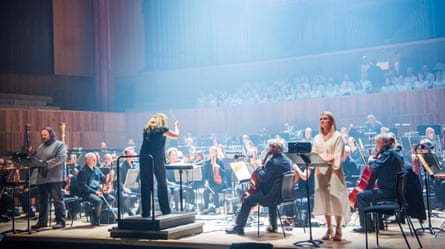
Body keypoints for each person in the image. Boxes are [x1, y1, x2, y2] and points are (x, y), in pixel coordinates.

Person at [225, 138, 292, 235]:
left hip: (269, 197)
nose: (268, 150)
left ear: (273, 148)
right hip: (280, 196)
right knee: (269, 197)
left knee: (247, 200)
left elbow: (264, 178)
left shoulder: (272, 162)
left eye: (269, 148)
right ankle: (273, 226)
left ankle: (238, 227)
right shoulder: (287, 161)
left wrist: (259, 167)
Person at [352, 133, 404, 233]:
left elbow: (376, 166)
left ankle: (367, 226)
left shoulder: (388, 154)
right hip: (393, 190)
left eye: (377, 143)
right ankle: (379, 224)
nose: (376, 146)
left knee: (361, 196)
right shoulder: (392, 153)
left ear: (382, 143)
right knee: (372, 194)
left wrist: (370, 160)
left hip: (389, 192)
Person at [312, 111, 349, 241]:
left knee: (335, 198)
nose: (322, 121)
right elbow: (314, 155)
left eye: (325, 118)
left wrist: (326, 158)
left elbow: (337, 155)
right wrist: (326, 158)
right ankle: (329, 228)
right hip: (320, 172)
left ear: (331, 121)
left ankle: (338, 228)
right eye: (321, 119)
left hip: (334, 172)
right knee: (324, 199)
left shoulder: (338, 137)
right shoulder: (317, 138)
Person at [139, 113, 179, 217]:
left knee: (145, 185)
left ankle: (145, 212)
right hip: (156, 158)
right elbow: (176, 135)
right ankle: (165, 209)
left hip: (144, 157)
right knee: (162, 183)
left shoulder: (146, 129)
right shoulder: (162, 130)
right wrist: (176, 126)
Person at [31, 127, 67, 230]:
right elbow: (37, 159)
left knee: (57, 200)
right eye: (42, 135)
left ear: (51, 135)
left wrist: (46, 164)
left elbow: (61, 158)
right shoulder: (41, 147)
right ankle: (42, 222)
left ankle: (61, 221)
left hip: (55, 178)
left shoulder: (60, 144)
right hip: (42, 177)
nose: (43, 137)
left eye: (45, 135)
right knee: (42, 201)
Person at [77, 152, 115, 226]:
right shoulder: (83, 171)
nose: (95, 161)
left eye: (95, 159)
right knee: (99, 201)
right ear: (87, 160)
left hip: (97, 191)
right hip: (87, 193)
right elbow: (84, 186)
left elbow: (103, 179)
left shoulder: (96, 169)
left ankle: (94, 212)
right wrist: (95, 192)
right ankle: (96, 220)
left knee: (111, 199)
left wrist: (109, 176)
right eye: (93, 159)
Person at [202, 146, 227, 214]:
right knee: (205, 191)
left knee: (214, 190)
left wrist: (218, 166)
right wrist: (206, 182)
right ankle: (206, 208)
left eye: (213, 152)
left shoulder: (220, 161)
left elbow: (224, 173)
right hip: (211, 183)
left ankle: (217, 208)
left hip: (220, 182)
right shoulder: (207, 163)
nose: (212, 153)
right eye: (211, 152)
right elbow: (205, 175)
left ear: (216, 153)